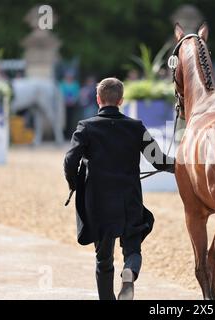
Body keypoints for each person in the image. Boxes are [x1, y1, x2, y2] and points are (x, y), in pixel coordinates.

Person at [63, 77, 175, 300]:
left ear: (98, 99)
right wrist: (183, 165)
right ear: (121, 100)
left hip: (99, 201)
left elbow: (69, 161)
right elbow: (158, 160)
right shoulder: (135, 127)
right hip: (129, 199)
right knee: (132, 248)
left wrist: (75, 184)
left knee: (103, 259)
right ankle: (129, 273)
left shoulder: (86, 127)